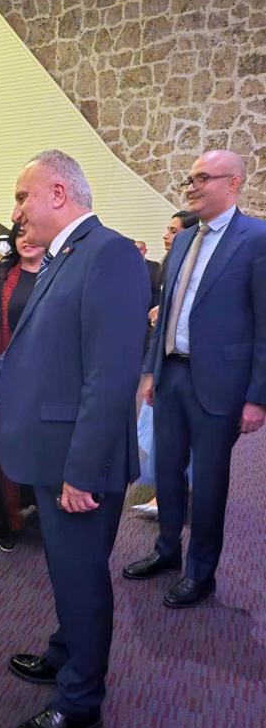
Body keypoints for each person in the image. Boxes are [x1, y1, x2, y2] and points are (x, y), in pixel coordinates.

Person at [0, 149, 149, 728]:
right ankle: (66, 653)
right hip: (53, 452)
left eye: (22, 196)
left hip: (79, 462)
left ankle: (81, 701)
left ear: (59, 194)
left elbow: (110, 378)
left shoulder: (109, 254)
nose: (15, 211)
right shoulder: (65, 257)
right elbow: (29, 356)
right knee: (67, 573)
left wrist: (82, 472)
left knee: (82, 581)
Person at [124, 150, 266, 608]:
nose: (192, 187)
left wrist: (258, 397)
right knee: (166, 472)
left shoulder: (257, 239)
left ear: (234, 183)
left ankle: (200, 573)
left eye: (203, 178)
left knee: (207, 485)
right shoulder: (184, 239)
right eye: (190, 179)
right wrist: (151, 369)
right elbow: (167, 310)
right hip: (172, 376)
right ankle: (167, 550)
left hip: (221, 385)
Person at [0, 222, 45, 552]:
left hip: (45, 385)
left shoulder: (60, 275)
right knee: (1, 453)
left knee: (42, 450)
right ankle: (7, 520)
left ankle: (41, 512)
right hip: (2, 382)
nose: (27, 240)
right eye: (20, 234)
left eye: (33, 234)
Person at [132, 210, 198, 517]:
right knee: (162, 431)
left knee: (174, 434)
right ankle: (167, 493)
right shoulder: (168, 263)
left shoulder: (190, 264)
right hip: (163, 360)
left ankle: (168, 496)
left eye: (173, 231)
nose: (166, 235)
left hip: (184, 364)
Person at [134, 240, 161, 309]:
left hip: (150, 306)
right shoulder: (126, 267)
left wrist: (156, 307)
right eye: (135, 249)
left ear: (145, 251)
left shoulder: (154, 266)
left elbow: (156, 289)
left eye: (140, 249)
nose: (137, 252)